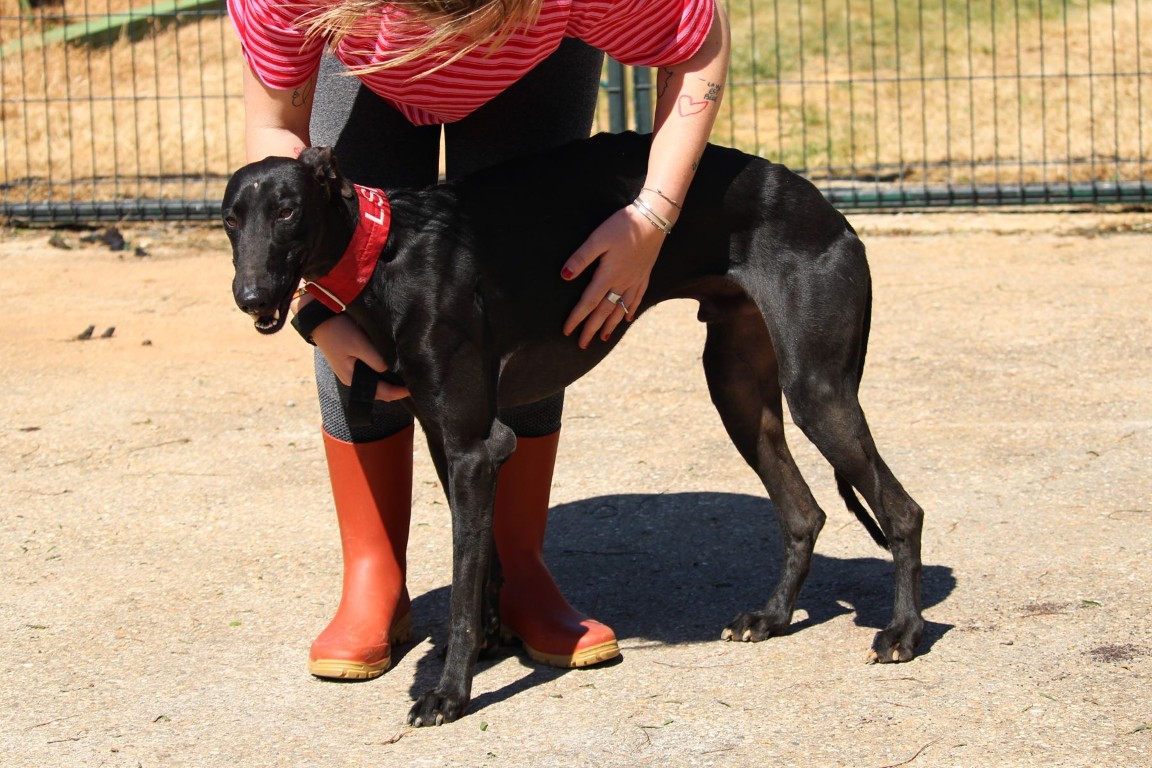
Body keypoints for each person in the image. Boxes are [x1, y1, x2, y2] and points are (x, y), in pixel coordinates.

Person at [227, 0, 731, 679]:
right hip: (358, 53)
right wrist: (317, 308)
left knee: (528, 278)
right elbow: (276, 135)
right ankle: (375, 574)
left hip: (532, 55)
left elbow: (698, 44)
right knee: (351, 285)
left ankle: (517, 571)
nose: (444, 48)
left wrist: (651, 219)